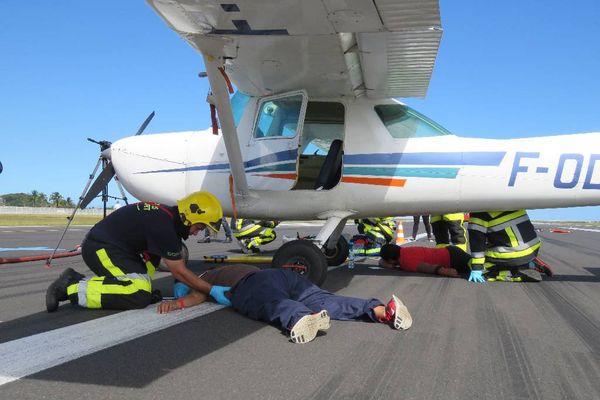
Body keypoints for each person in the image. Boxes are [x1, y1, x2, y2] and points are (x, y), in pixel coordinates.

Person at [45, 191, 233, 312]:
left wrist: (180, 283)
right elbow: (178, 270)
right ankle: (71, 286)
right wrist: (211, 290)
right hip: (100, 248)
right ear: (189, 216)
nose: (197, 232)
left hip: (118, 248)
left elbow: (176, 261)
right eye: (199, 226)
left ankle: (119, 287)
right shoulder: (163, 225)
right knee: (138, 295)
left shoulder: (168, 219)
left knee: (151, 272)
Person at [158, 265, 413, 344]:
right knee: (327, 300)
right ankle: (380, 310)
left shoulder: (205, 277)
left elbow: (197, 295)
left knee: (271, 303)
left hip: (252, 283)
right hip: (281, 275)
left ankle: (300, 318)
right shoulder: (229, 266)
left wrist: (178, 303)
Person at [467, 210, 551, 283]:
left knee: (475, 265)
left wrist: (476, 268)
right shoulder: (511, 200)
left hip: (515, 253)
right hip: (532, 248)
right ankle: (529, 264)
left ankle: (512, 274)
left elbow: (477, 242)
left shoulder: (479, 212)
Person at [379, 243, 472, 277]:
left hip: (454, 260)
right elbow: (381, 262)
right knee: (479, 263)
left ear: (391, 260)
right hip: (451, 252)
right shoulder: (404, 250)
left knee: (480, 267)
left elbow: (426, 267)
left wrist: (444, 271)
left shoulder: (406, 262)